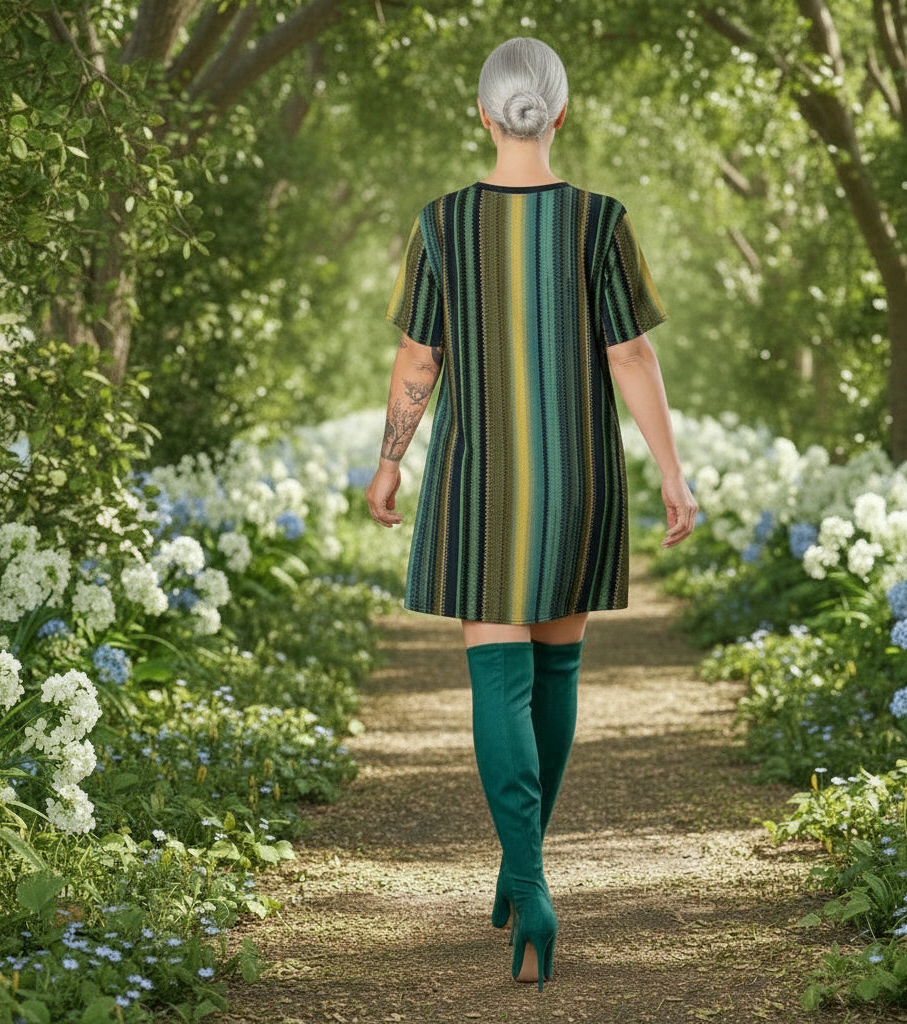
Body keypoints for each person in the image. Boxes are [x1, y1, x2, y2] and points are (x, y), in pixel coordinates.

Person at [365, 36, 698, 990]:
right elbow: (629, 356)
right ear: (560, 112)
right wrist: (672, 472)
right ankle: (525, 872)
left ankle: (527, 875)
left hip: (482, 483)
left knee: (496, 683)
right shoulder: (601, 222)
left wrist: (390, 463)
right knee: (556, 675)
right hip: (580, 475)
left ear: (484, 114)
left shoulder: (440, 225)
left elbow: (419, 362)